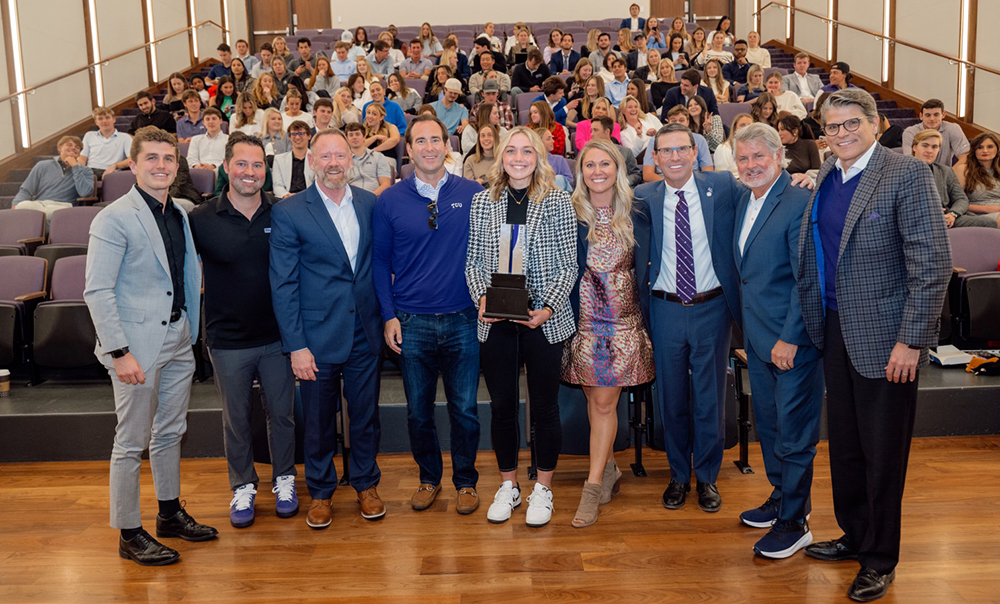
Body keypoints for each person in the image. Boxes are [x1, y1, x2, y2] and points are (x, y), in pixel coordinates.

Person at [798, 89, 951, 602]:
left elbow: (931, 265)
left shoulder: (907, 174)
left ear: (875, 124)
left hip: (888, 340)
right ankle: (856, 535)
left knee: (883, 452)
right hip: (834, 328)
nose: (841, 133)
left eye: (851, 124)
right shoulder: (827, 172)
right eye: (832, 126)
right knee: (845, 445)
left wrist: (911, 340)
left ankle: (880, 558)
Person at [83, 126, 216, 566]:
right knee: (131, 441)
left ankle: (169, 513)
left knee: (171, 431)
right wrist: (119, 353)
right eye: (151, 158)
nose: (161, 165)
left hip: (178, 337)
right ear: (134, 164)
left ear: (177, 166)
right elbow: (97, 291)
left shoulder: (179, 211)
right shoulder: (113, 218)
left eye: (168, 158)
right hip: (136, 347)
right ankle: (128, 532)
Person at [268, 128, 386, 528]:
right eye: (325, 156)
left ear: (351, 160)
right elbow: (283, 284)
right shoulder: (289, 211)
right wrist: (296, 346)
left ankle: (367, 484)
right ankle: (320, 492)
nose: (334, 163)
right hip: (315, 339)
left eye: (340, 155)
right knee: (318, 421)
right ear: (312, 161)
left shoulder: (369, 203)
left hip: (365, 331)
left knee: (365, 416)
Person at [372, 114, 485, 516]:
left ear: (447, 145)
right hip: (411, 322)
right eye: (420, 141)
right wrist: (389, 316)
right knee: (418, 412)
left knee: (465, 410)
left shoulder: (473, 193)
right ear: (408, 150)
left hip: (464, 319)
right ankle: (428, 478)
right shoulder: (389, 200)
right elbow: (379, 262)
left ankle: (466, 482)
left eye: (436, 139)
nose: (429, 147)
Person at [465, 127, 577, 527]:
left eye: (526, 151)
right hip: (496, 322)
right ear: (501, 156)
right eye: (511, 150)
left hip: (543, 320)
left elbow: (569, 266)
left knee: (545, 407)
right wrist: (482, 299)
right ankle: (509, 486)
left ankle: (542, 489)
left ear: (538, 157)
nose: (518, 158)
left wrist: (547, 308)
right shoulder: (482, 202)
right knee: (502, 407)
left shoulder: (558, 200)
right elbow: (473, 263)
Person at [188, 132, 297, 529]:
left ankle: (284, 479)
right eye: (241, 164)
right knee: (235, 419)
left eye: (257, 165)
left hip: (277, 338)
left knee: (282, 415)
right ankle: (243, 485)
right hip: (227, 339)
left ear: (265, 170)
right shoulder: (200, 218)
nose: (249, 172)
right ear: (226, 167)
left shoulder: (282, 212)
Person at [633, 124, 742, 514]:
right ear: (655, 158)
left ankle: (708, 476)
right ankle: (679, 475)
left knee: (710, 397)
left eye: (682, 149)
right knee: (672, 397)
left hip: (712, 307)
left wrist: (801, 179)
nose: (675, 157)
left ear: (696, 153)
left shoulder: (724, 186)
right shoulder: (642, 197)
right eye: (666, 151)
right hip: (664, 308)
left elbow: (763, 190)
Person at [731, 123, 825, 559]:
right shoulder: (744, 200)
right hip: (758, 340)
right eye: (743, 158)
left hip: (791, 343)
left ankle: (795, 520)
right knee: (769, 426)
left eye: (758, 156)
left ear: (778, 156)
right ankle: (780, 495)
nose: (751, 165)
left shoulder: (799, 201)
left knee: (794, 433)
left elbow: (807, 278)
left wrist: (791, 338)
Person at [563, 141, 653, 528]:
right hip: (582, 324)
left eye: (605, 164)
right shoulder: (568, 211)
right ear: (580, 171)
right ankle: (611, 467)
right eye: (590, 165)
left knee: (603, 404)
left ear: (618, 169)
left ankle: (592, 486)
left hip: (622, 324)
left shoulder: (639, 211)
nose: (597, 171)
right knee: (595, 401)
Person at [12, 135, 95, 217]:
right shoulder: (42, 165)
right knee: (22, 206)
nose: (73, 148)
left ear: (79, 153)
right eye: (69, 145)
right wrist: (16, 204)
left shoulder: (86, 171)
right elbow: (26, 189)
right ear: (59, 148)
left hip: (63, 206)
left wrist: (75, 167)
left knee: (52, 213)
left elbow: (84, 192)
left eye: (77, 147)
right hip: (40, 204)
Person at [911, 129, 972, 229]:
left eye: (934, 147)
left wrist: (953, 214)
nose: (929, 151)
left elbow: (961, 199)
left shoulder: (946, 171)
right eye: (925, 145)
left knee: (988, 222)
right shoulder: (900, 170)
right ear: (914, 147)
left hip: (947, 217)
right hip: (916, 218)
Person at [642, 106, 714, 181]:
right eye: (673, 121)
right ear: (668, 122)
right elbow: (647, 174)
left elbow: (708, 171)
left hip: (694, 182)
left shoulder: (699, 139)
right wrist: (670, 185)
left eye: (681, 120)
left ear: (688, 122)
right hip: (662, 182)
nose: (677, 124)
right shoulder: (655, 140)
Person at [902, 99, 970, 166]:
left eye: (936, 115)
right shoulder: (910, 132)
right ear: (921, 116)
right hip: (917, 171)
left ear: (943, 115)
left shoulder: (953, 129)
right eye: (928, 115)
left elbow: (965, 157)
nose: (932, 119)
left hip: (944, 172)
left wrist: (950, 172)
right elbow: (909, 161)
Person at [954, 132, 1000, 228]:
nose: (985, 151)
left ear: (997, 149)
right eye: (980, 147)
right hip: (979, 215)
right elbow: (955, 202)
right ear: (974, 150)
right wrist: (988, 209)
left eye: (990, 147)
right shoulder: (964, 170)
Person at [80, 107, 132, 179]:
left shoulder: (125, 137)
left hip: (112, 171)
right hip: (91, 172)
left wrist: (115, 166)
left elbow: (132, 159)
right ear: (96, 122)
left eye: (107, 117)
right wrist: (78, 170)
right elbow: (82, 158)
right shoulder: (89, 135)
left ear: (114, 119)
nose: (104, 121)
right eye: (100, 119)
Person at [591, 116, 642, 187]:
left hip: (621, 191)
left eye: (595, 130)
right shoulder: (588, 154)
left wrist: (623, 183)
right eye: (591, 130)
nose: (592, 134)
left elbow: (636, 174)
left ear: (607, 132)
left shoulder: (625, 152)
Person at [344, 122, 392, 196]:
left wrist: (370, 197)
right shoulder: (343, 160)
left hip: (375, 197)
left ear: (364, 137)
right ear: (347, 139)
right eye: (351, 135)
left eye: (357, 134)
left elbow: (385, 184)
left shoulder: (378, 157)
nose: (354, 137)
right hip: (352, 198)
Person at [272, 120, 314, 198]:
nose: (297, 137)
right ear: (290, 137)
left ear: (309, 136)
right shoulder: (279, 159)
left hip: (310, 198)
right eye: (294, 134)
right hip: (287, 199)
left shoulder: (316, 159)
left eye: (301, 133)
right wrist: (287, 196)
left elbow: (318, 184)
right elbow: (277, 186)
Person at [618, 94, 663, 159]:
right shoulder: (623, 134)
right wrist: (639, 135)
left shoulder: (650, 117)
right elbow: (633, 154)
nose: (634, 109)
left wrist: (656, 134)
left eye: (636, 107)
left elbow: (665, 134)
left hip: (661, 151)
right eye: (630, 107)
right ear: (623, 111)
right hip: (645, 159)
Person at [713, 113, 754, 178]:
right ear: (735, 129)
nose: (746, 128)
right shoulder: (723, 148)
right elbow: (721, 177)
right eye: (742, 125)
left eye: (749, 126)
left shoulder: (755, 149)